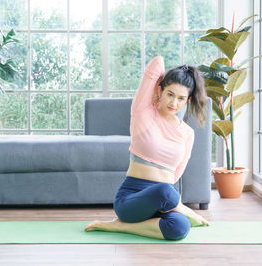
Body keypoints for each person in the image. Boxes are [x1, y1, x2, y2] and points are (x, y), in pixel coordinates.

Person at [84, 56, 209, 240]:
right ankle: (181, 209)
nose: (174, 103)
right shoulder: (143, 113)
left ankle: (119, 227)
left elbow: (176, 174)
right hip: (131, 200)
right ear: (160, 90)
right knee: (166, 191)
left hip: (163, 202)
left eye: (181, 98)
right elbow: (156, 63)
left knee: (179, 227)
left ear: (187, 100)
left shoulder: (187, 134)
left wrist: (170, 202)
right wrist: (183, 70)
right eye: (170, 94)